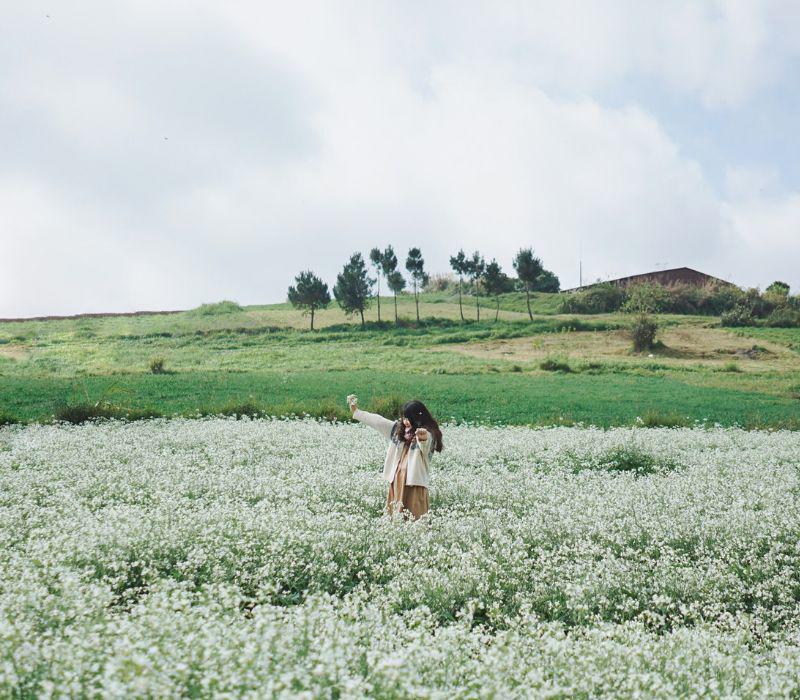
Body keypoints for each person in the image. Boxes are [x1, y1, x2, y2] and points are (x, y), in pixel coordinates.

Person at [347, 394, 443, 519]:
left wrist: (422, 436)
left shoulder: (428, 434)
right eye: (404, 417)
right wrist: (356, 412)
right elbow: (378, 421)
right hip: (397, 480)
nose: (406, 421)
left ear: (418, 418)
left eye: (409, 418)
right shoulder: (398, 430)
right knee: (396, 517)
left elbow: (426, 444)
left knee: (415, 518)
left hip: (414, 484)